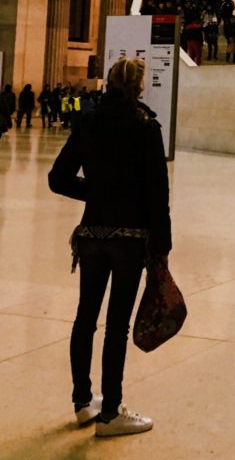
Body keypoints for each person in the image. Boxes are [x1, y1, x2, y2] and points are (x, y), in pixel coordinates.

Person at [48, 57, 171, 438]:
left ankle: (84, 402)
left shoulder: (87, 122)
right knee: (116, 326)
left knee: (85, 317)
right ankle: (111, 412)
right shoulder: (145, 127)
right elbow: (157, 193)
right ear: (137, 87)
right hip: (130, 239)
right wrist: (162, 246)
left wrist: (95, 193)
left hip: (91, 236)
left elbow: (58, 178)